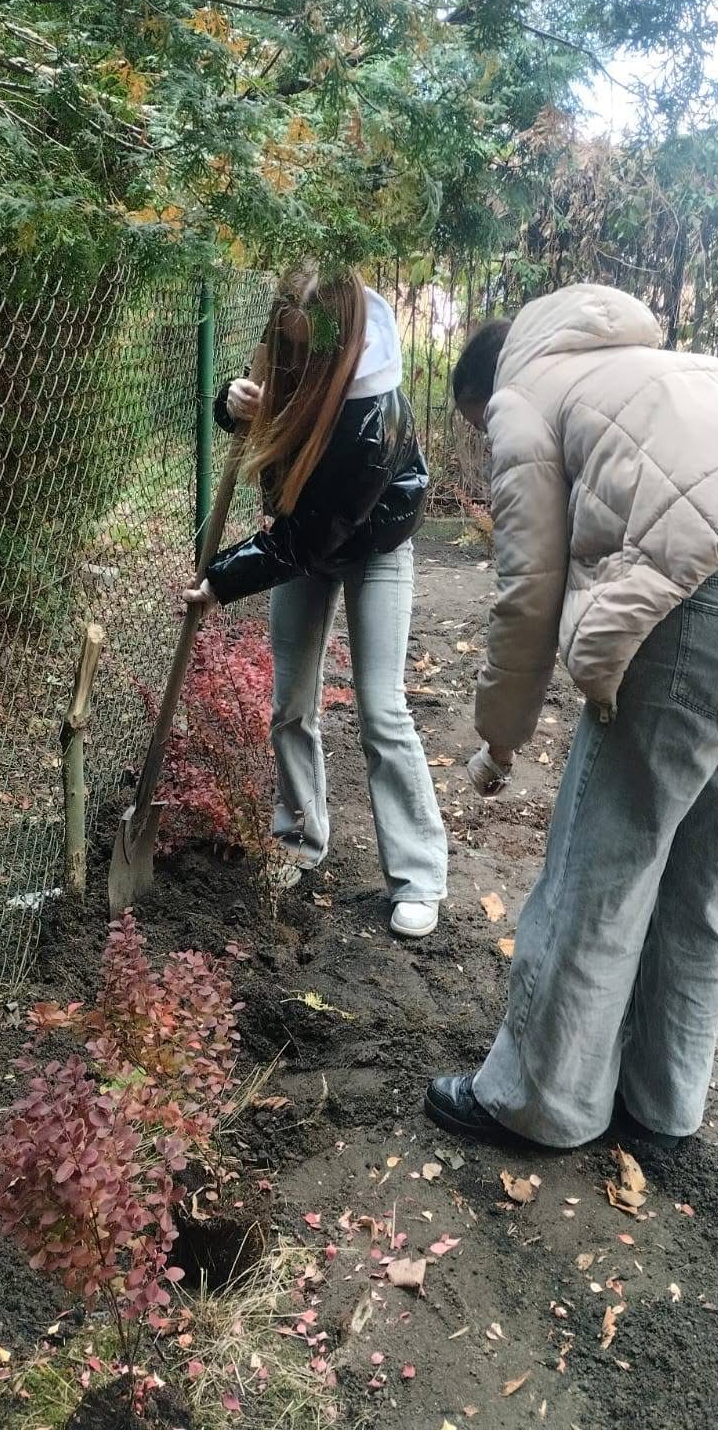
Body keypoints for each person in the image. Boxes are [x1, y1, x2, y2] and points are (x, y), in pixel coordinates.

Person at [425, 282, 718, 1151]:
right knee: (712, 863)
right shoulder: (664, 365)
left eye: (477, 429)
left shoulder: (522, 395)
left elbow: (527, 593)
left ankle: (538, 1102)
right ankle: (664, 1101)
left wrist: (499, 740)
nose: (485, 441)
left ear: (486, 389)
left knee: (604, 859)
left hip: (711, 597)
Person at [184, 266, 448, 939]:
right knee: (291, 702)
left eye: (308, 348)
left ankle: (418, 876)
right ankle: (299, 840)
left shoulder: (372, 413)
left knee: (381, 708)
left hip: (372, 543)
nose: (296, 360)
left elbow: (309, 536)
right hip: (303, 536)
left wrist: (220, 580)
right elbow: (261, 431)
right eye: (290, 344)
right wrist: (233, 403)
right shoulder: (290, 350)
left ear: (340, 339)